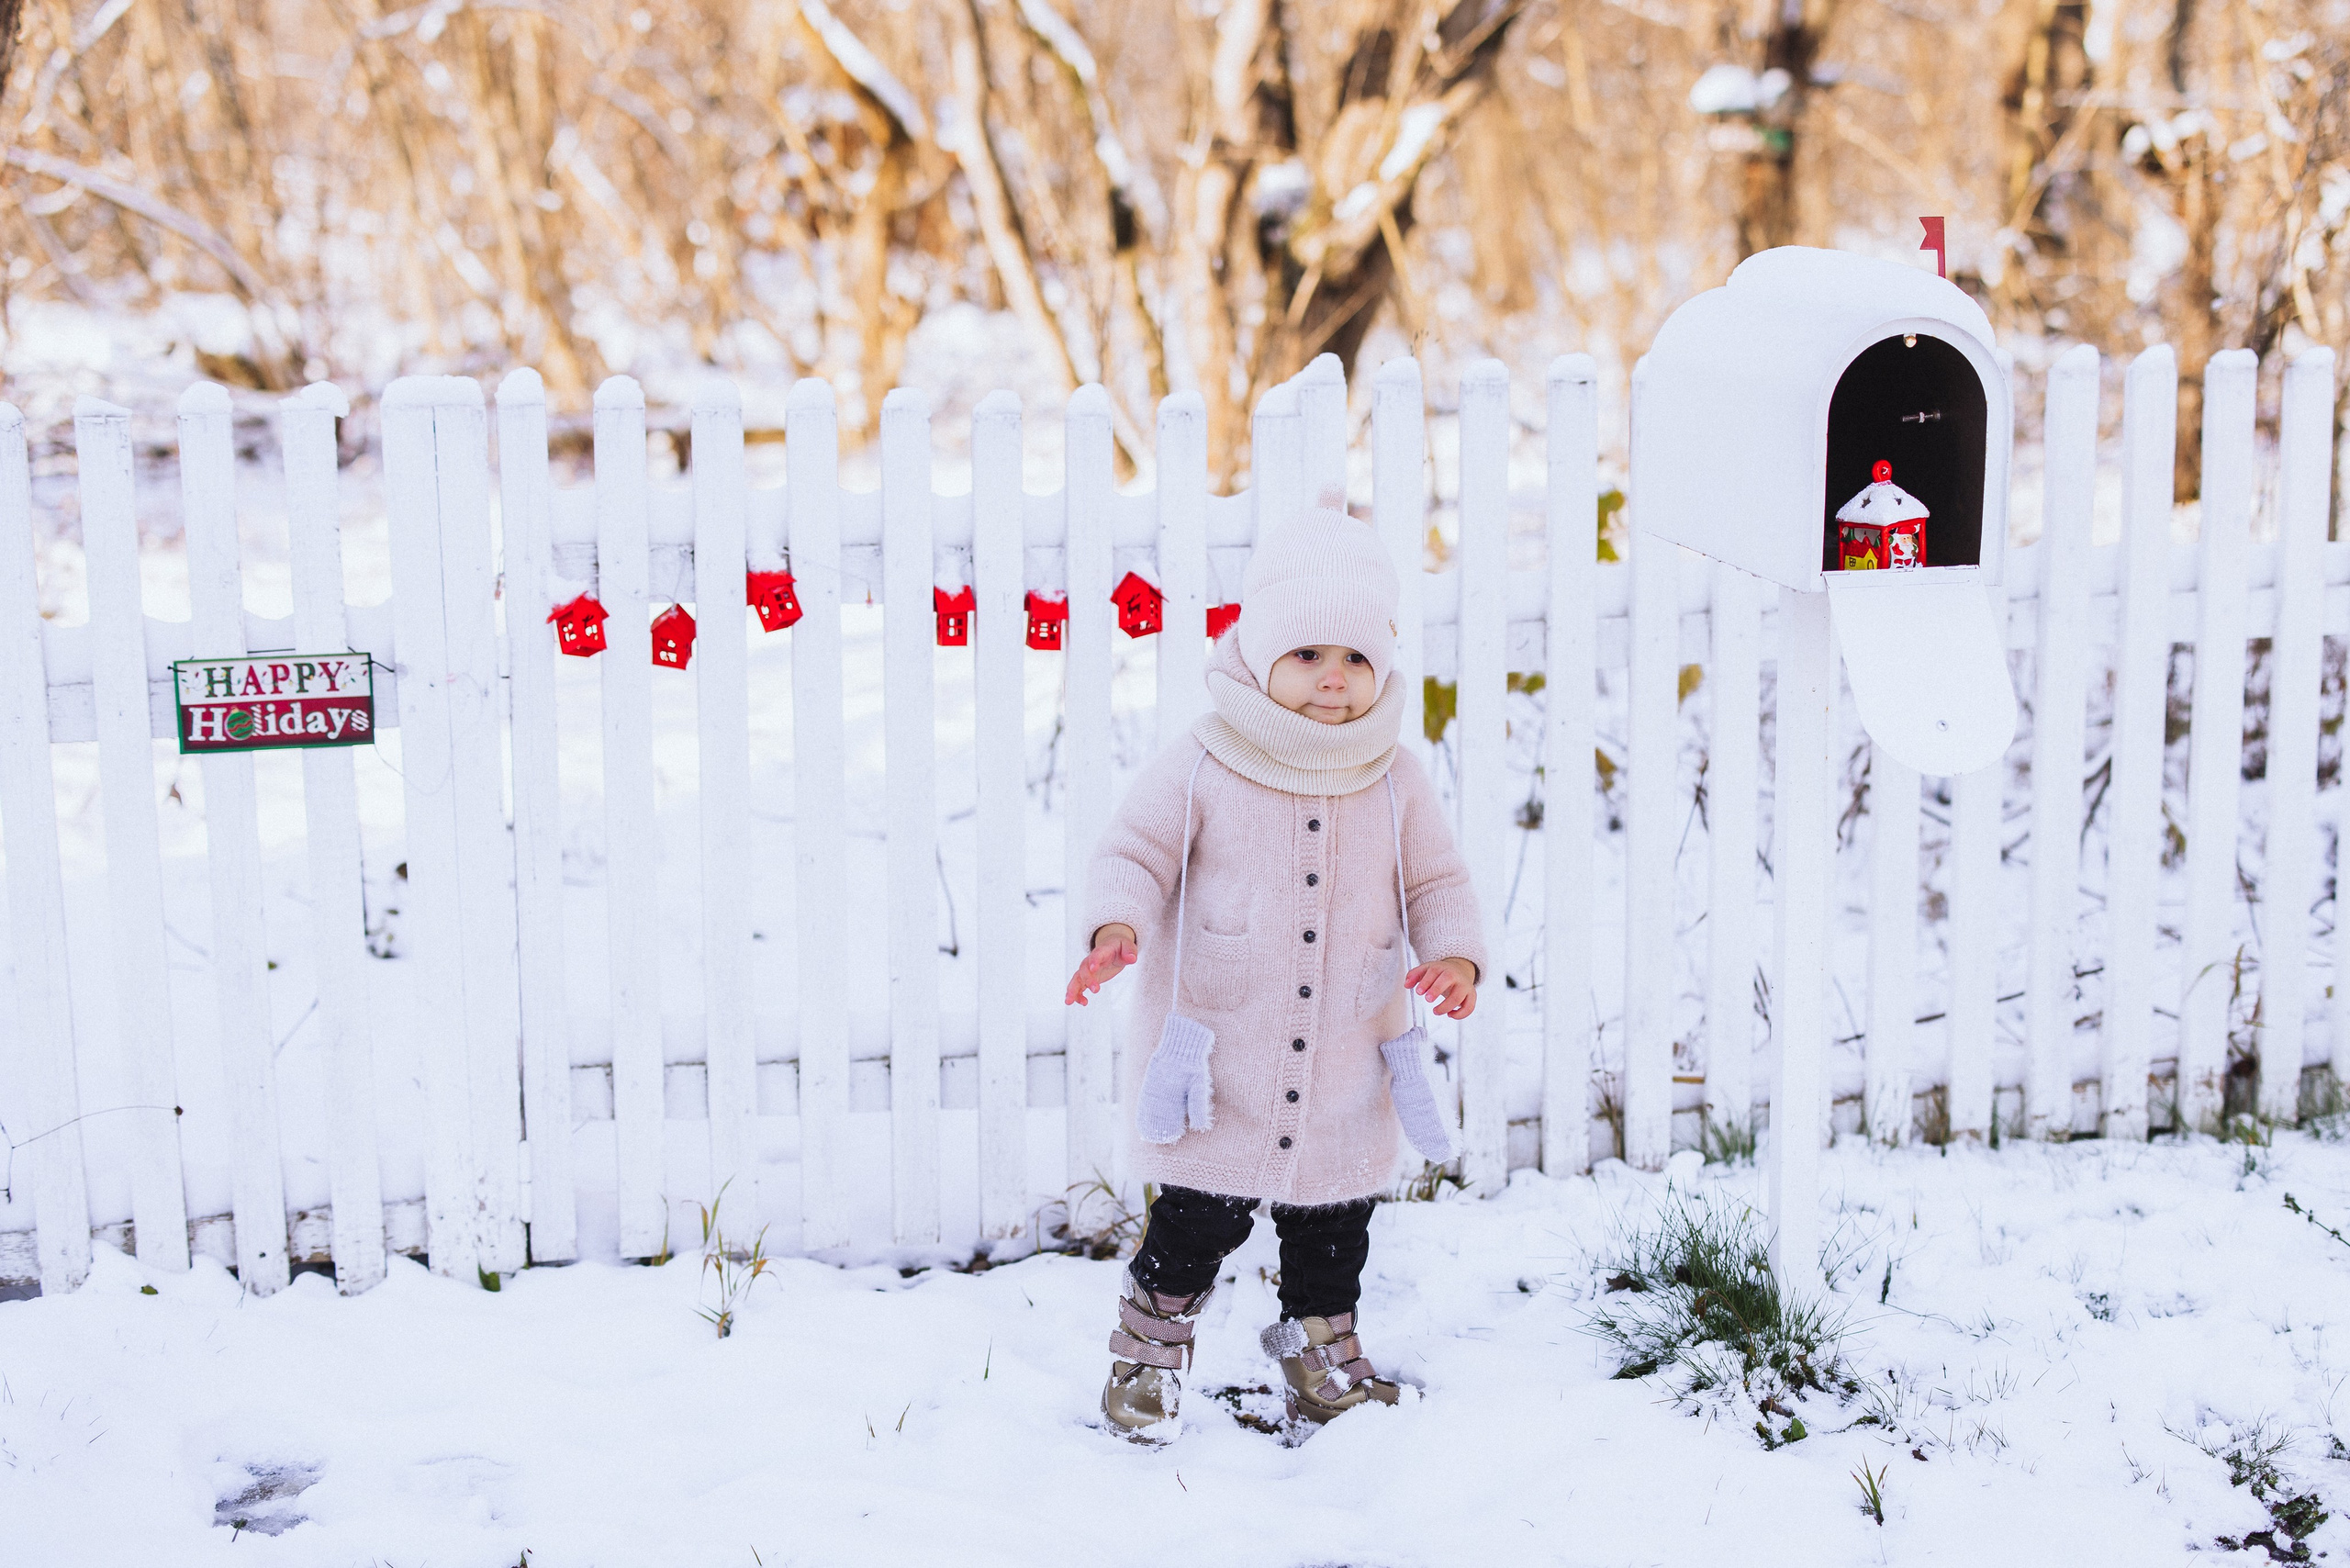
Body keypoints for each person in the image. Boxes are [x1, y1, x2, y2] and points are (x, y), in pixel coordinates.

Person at [1063, 496, 1486, 1444]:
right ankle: (1146, 1355)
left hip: (1344, 1062)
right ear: (1257, 653)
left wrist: (1454, 955)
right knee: (1193, 1227)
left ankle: (1319, 1352)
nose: (1331, 680)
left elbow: (1438, 879)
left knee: (1333, 1231)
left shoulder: (1391, 774)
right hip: (1223, 1062)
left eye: (1354, 659)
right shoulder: (1208, 758)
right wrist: (1114, 927)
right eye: (1306, 656)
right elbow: (1131, 848)